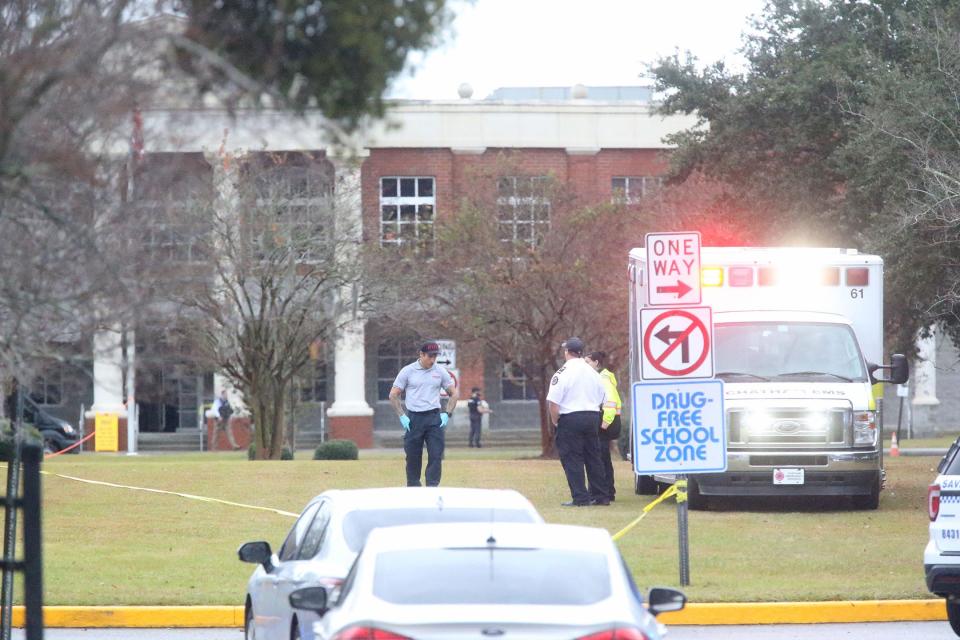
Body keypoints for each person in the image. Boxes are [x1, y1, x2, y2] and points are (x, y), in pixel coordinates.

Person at [547, 337, 608, 506]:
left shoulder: (562, 372)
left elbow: (553, 402)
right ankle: (601, 495)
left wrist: (555, 421)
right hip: (593, 416)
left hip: (571, 417)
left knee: (572, 458)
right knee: (593, 457)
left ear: (567, 352)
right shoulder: (593, 373)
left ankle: (580, 498)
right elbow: (602, 396)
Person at [390, 341, 460, 486]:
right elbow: (393, 395)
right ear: (421, 354)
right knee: (413, 456)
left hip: (434, 418)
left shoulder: (440, 371)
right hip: (414, 418)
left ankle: (432, 487)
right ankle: (414, 486)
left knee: (436, 455)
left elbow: (453, 393)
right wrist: (402, 415)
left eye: (435, 356)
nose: (433, 359)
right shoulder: (407, 371)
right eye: (430, 356)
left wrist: (447, 413)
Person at [586, 351, 622, 503]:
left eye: (587, 362)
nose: (585, 365)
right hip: (607, 422)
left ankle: (604, 491)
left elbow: (610, 403)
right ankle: (608, 490)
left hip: (605, 423)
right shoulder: (603, 378)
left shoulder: (603, 380)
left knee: (600, 459)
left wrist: (604, 424)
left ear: (596, 362)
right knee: (604, 459)